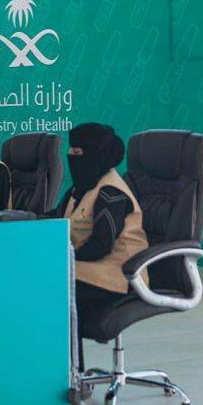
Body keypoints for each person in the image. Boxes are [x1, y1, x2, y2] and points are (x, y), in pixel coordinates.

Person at [50, 123, 149, 370]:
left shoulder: (111, 192)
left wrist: (58, 258)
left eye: (78, 152)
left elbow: (101, 246)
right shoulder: (81, 187)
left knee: (53, 294)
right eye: (70, 151)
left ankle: (71, 378)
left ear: (96, 153)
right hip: (90, 269)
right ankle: (50, 373)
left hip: (122, 275)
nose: (71, 157)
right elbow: (54, 219)